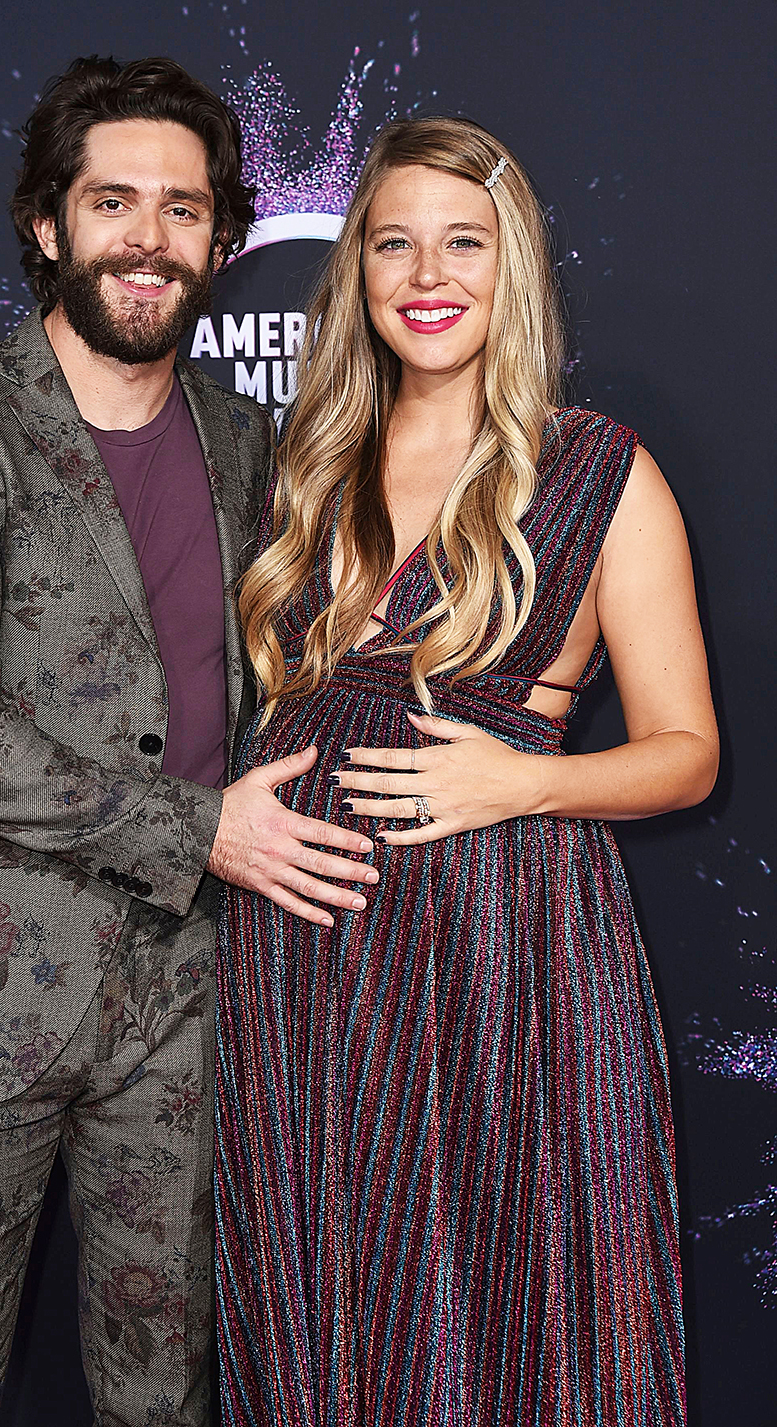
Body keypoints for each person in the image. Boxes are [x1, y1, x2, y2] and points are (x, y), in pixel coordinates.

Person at [0, 55, 374, 1427]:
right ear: (49, 224)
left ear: (221, 238)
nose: (149, 238)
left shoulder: (250, 440)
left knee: (163, 1394)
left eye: (183, 210)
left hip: (184, 1008)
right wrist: (206, 832)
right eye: (114, 202)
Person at [216, 116, 717, 1427]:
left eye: (462, 242)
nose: (425, 274)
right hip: (299, 963)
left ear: (514, 267)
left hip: (504, 956)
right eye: (393, 243)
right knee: (324, 1297)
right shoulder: (308, 472)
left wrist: (524, 782)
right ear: (360, 274)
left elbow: (687, 752)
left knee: (505, 1309)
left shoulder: (598, 468)